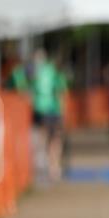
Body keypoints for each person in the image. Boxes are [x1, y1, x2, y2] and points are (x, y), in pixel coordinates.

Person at [13, 49, 68, 182]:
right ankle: (52, 167)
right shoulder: (51, 72)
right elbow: (61, 91)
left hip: (44, 111)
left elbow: (25, 86)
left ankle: (49, 166)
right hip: (52, 111)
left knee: (47, 138)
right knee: (53, 140)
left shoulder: (38, 73)